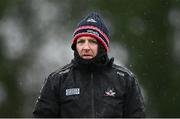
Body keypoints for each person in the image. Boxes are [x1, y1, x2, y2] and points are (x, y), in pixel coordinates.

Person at [33, 12, 145, 118]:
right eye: (81, 41)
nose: (86, 47)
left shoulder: (126, 80)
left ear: (102, 46)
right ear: (75, 46)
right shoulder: (57, 80)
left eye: (92, 41)